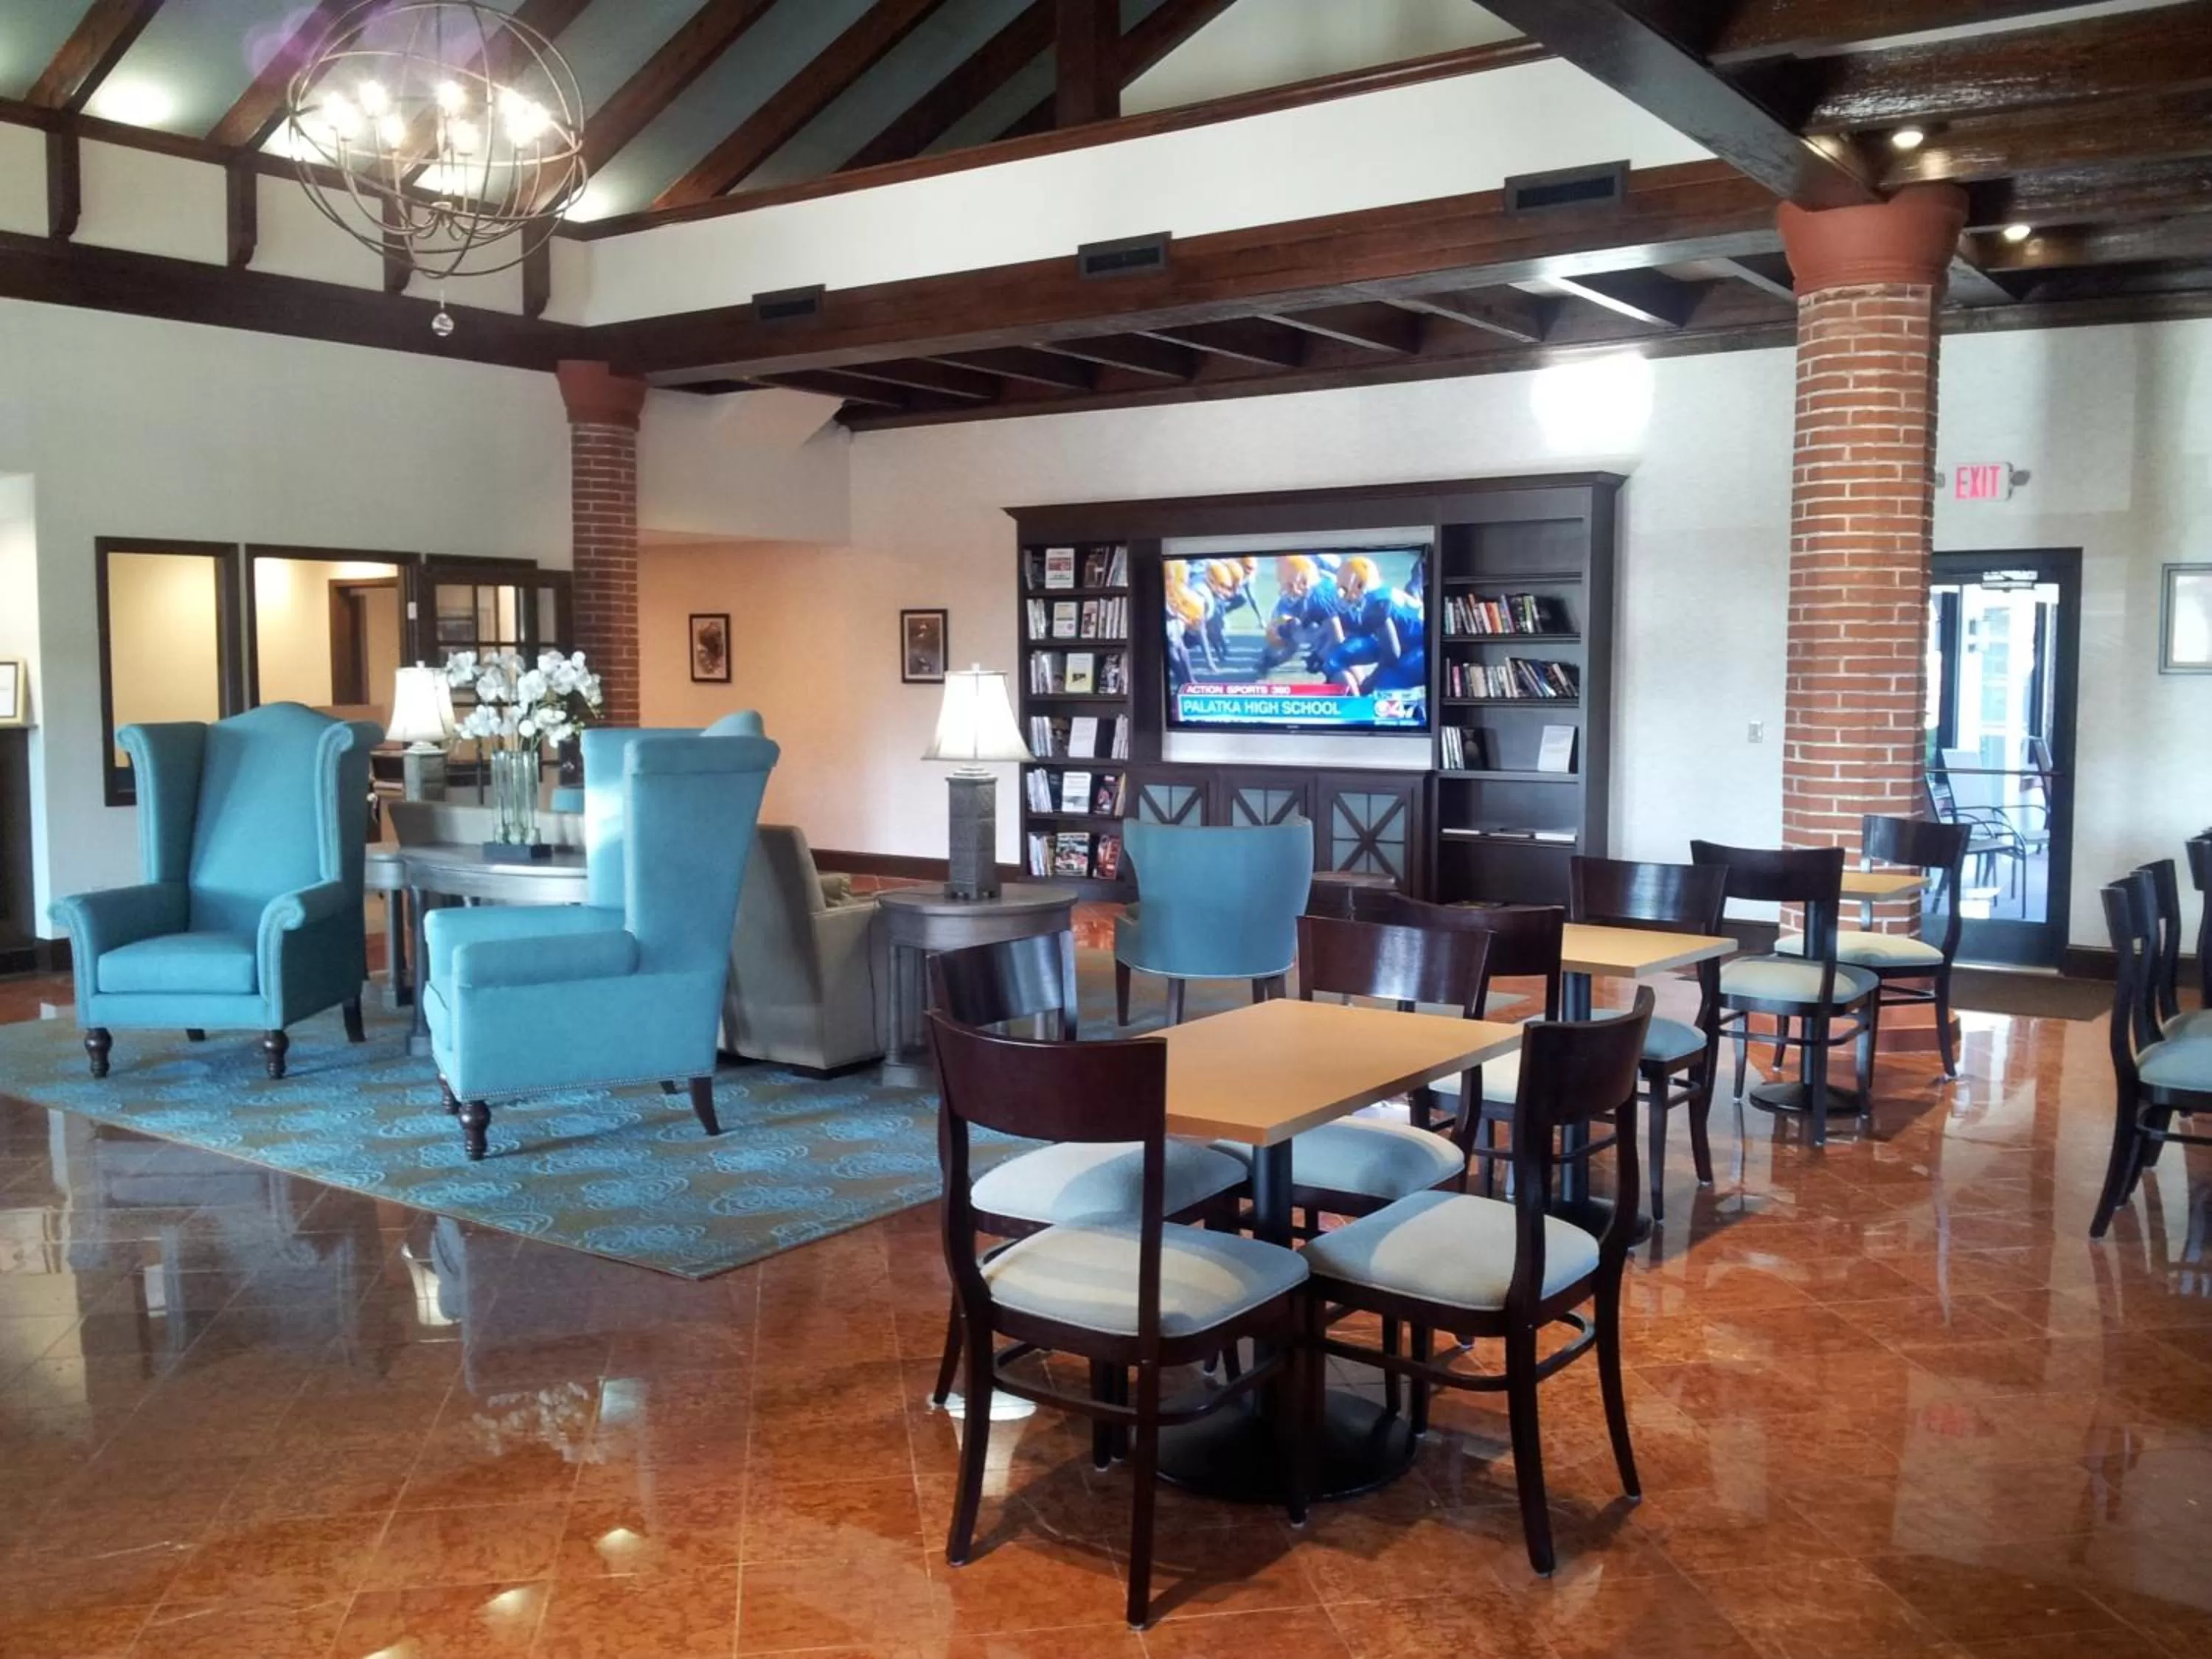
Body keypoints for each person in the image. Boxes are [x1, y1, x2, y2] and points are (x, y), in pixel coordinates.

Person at [1323, 555, 1427, 692]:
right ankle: (1338, 689)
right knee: (1336, 657)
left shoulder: (1377, 604)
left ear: (1359, 584)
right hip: (1404, 641)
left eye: (1343, 588)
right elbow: (1365, 633)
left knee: (1383, 685)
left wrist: (1371, 681)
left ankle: (1363, 704)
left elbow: (1392, 654)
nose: (1341, 593)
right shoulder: (1372, 596)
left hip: (1421, 646)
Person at [1259, 554, 1341, 673]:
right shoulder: (1287, 601)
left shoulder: (1320, 597)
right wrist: (1276, 627)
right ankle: (1268, 662)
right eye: (1287, 585)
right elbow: (1278, 623)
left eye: (1291, 584)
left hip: (1328, 625)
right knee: (1288, 629)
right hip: (1309, 624)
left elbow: (1337, 635)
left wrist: (1322, 654)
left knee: (1340, 659)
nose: (1288, 590)